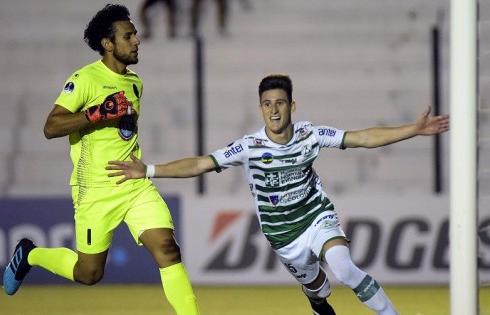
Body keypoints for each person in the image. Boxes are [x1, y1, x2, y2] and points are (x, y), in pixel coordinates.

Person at [106, 74, 451, 315]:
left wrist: (414, 130)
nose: (274, 110)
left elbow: (361, 138)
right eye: (267, 104)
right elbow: (201, 163)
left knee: (344, 269)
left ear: (292, 106)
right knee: (319, 290)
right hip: (284, 236)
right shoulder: (249, 147)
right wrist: (149, 169)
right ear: (260, 109)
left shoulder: (310, 134)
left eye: (280, 103)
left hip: (316, 216)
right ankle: (319, 306)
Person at [2, 4, 199, 315]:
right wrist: (95, 114)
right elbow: (50, 127)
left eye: (135, 35)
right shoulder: (85, 79)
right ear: (108, 44)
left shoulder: (135, 82)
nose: (137, 41)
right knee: (89, 273)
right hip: (94, 189)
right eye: (128, 36)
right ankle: (31, 255)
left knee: (167, 248)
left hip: (134, 183)